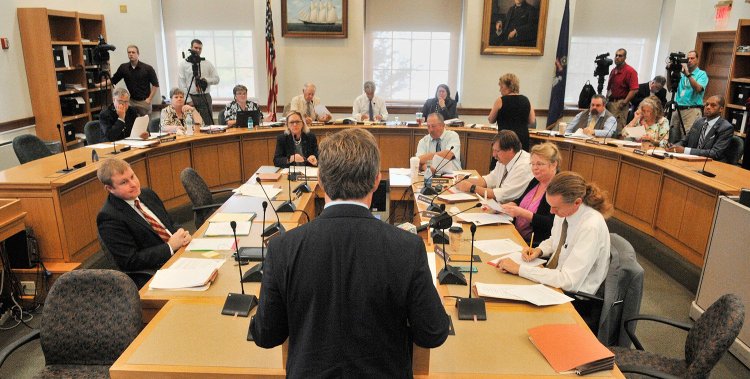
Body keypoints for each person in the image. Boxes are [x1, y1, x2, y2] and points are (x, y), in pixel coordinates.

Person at [251, 128, 449, 376]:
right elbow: (433, 333)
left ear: (320, 181)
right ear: (377, 180)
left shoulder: (282, 249)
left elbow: (266, 335)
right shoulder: (408, 248)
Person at [495, 171, 611, 294]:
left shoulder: (590, 227)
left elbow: (569, 281)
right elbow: (555, 239)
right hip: (555, 279)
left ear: (577, 202)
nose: (551, 211)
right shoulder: (565, 211)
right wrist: (539, 250)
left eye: (555, 207)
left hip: (573, 295)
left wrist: (519, 269)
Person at [96, 158, 192, 287]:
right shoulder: (109, 217)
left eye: (132, 176)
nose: (133, 184)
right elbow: (130, 260)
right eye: (124, 182)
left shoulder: (147, 194)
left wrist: (182, 234)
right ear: (110, 188)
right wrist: (170, 247)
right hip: (156, 272)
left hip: (181, 255)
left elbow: (169, 224)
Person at [501, 142, 560, 246]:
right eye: (532, 164)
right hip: (516, 235)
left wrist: (522, 213)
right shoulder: (537, 180)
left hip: (535, 245)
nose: (534, 168)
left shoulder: (559, 187)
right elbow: (521, 200)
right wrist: (509, 205)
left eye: (539, 164)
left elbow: (551, 224)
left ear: (554, 164)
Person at [455, 130, 532, 203]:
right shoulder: (503, 159)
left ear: (510, 150)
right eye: (493, 150)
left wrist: (472, 188)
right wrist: (466, 180)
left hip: (513, 210)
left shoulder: (523, 167)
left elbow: (503, 195)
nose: (494, 155)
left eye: (497, 151)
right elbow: (490, 180)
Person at [667, 95, 733, 161]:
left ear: (721, 109)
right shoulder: (699, 121)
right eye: (706, 104)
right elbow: (685, 141)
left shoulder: (726, 128)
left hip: (711, 164)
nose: (708, 107)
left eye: (713, 105)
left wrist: (685, 150)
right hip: (691, 160)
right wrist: (674, 146)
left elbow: (715, 153)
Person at [488, 73, 535, 152]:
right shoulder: (526, 100)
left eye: (501, 87)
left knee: (502, 162)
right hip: (522, 139)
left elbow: (491, 120)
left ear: (508, 86)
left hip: (505, 140)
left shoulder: (500, 100)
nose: (500, 90)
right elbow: (532, 120)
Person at [177, 39, 219, 125]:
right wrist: (188, 100)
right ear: (191, 48)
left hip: (205, 96)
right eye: (196, 48)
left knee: (208, 123)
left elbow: (216, 79)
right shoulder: (183, 64)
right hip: (191, 97)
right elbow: (182, 84)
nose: (198, 50)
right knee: (192, 123)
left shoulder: (207, 63)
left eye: (200, 48)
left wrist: (206, 80)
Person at [110, 45, 159, 116]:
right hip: (131, 101)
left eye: (133, 52)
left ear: (138, 54)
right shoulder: (123, 68)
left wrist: (149, 99)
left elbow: (155, 85)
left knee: (145, 125)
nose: (131, 54)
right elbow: (113, 80)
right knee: (131, 123)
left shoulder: (148, 68)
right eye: (129, 52)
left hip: (144, 102)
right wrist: (98, 85)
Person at [671, 50, 709, 136]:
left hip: (691, 110)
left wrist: (688, 74)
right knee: (672, 137)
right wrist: (669, 71)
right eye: (688, 58)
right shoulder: (682, 75)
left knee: (687, 138)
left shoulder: (702, 74)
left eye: (692, 58)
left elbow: (698, 89)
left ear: (697, 60)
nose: (689, 60)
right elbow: (670, 88)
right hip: (677, 109)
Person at [606, 48, 639, 134]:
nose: (617, 57)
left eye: (620, 56)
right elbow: (609, 88)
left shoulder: (630, 71)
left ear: (625, 57)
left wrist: (624, 102)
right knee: (607, 128)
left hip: (620, 103)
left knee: (617, 129)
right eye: (616, 55)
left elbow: (634, 89)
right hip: (609, 102)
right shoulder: (613, 71)